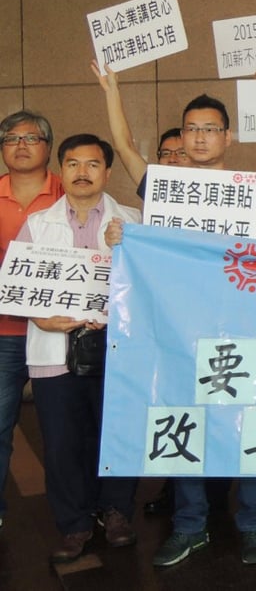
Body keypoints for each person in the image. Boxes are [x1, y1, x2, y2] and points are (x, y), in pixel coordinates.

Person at [111, 94, 256, 566]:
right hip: (180, 332)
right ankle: (190, 526)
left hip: (241, 330)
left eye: (210, 128)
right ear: (181, 137)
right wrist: (112, 89)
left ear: (227, 136)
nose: (200, 136)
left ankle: (254, 524)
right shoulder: (165, 188)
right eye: (191, 128)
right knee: (182, 424)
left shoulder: (249, 191)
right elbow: (125, 148)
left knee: (248, 428)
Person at [16, 134, 141, 563]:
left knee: (116, 434)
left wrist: (126, 246)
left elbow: (148, 287)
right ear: (61, 170)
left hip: (116, 348)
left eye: (92, 164)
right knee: (63, 442)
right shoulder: (37, 223)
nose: (82, 172)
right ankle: (74, 524)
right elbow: (17, 286)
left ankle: (117, 512)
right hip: (56, 346)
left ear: (107, 172)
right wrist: (39, 318)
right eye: (72, 164)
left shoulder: (133, 220)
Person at [0, 111, 63, 532]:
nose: (21, 144)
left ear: (48, 146)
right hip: (3, 332)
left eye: (32, 137)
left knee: (66, 429)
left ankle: (77, 514)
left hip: (58, 332)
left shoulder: (71, 189)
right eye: (11, 137)